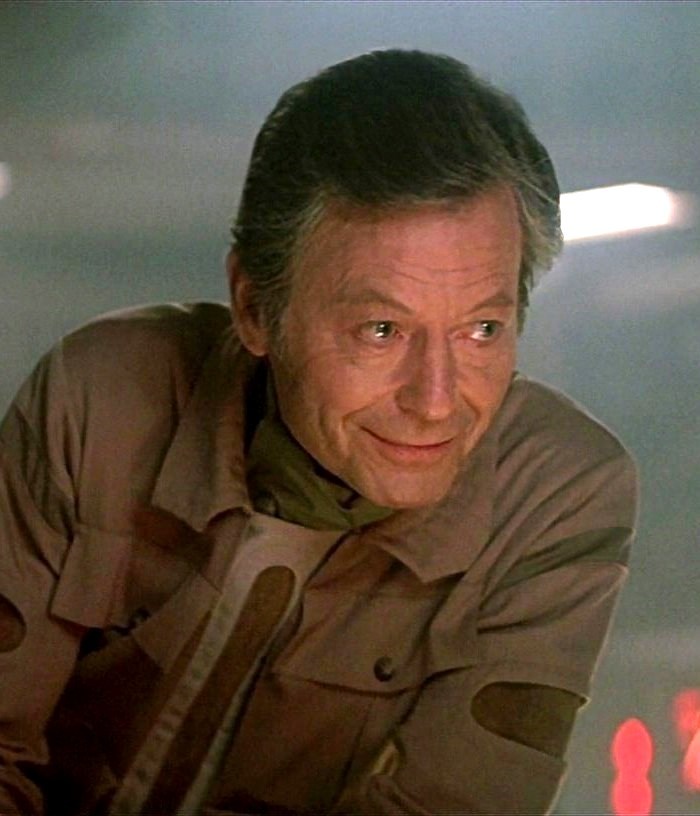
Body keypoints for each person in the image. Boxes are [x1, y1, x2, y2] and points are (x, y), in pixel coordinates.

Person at [0, 49, 637, 815]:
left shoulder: (555, 494)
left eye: (482, 330)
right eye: (381, 329)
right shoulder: (104, 396)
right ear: (255, 309)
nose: (437, 402)